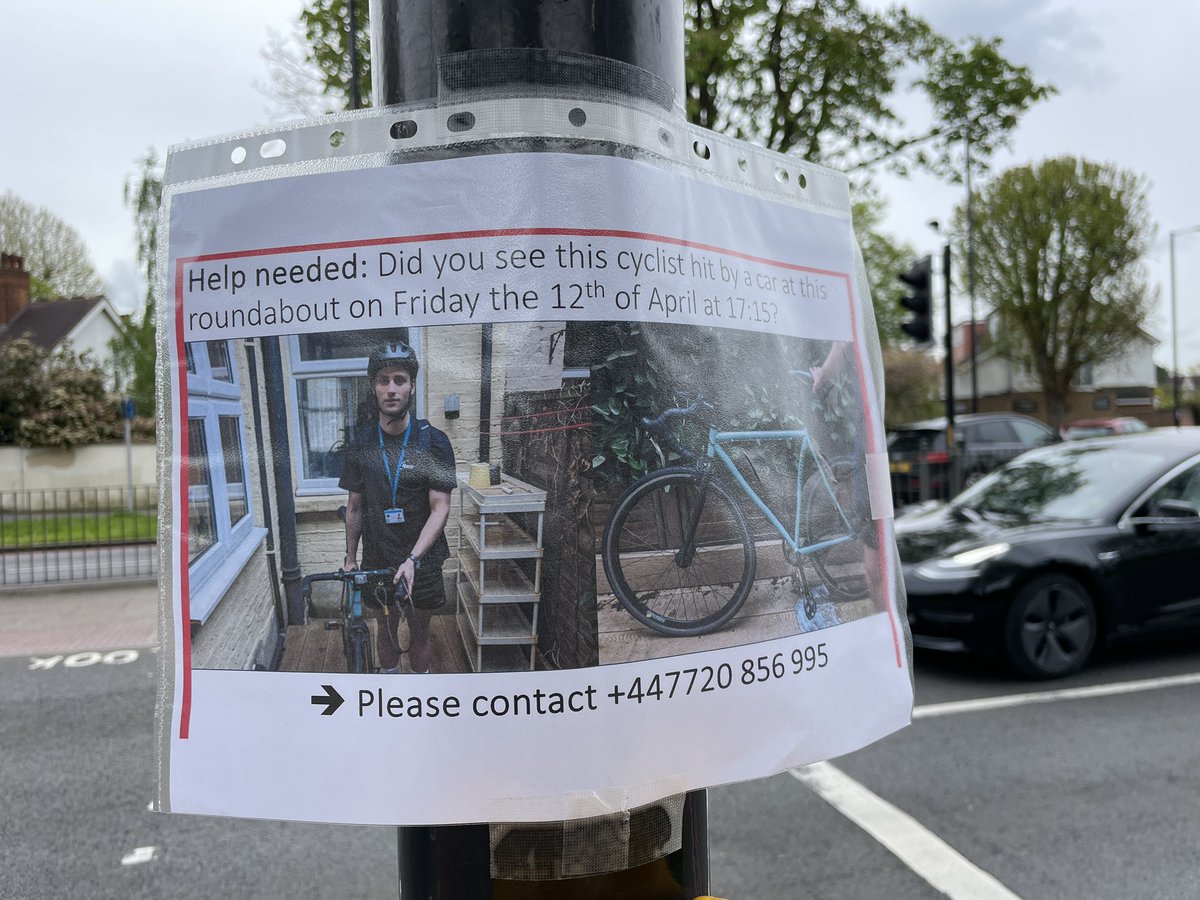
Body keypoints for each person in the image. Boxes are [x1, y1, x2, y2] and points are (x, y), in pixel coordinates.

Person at [339, 339, 457, 673]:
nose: (392, 389)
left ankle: (419, 687)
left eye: (400, 380)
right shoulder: (361, 443)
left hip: (425, 558)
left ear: (412, 386)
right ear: (373, 387)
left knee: (421, 632)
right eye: (383, 380)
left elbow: (441, 507)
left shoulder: (434, 442)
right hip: (379, 555)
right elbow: (355, 507)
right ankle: (389, 686)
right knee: (385, 632)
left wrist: (413, 560)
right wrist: (350, 559)